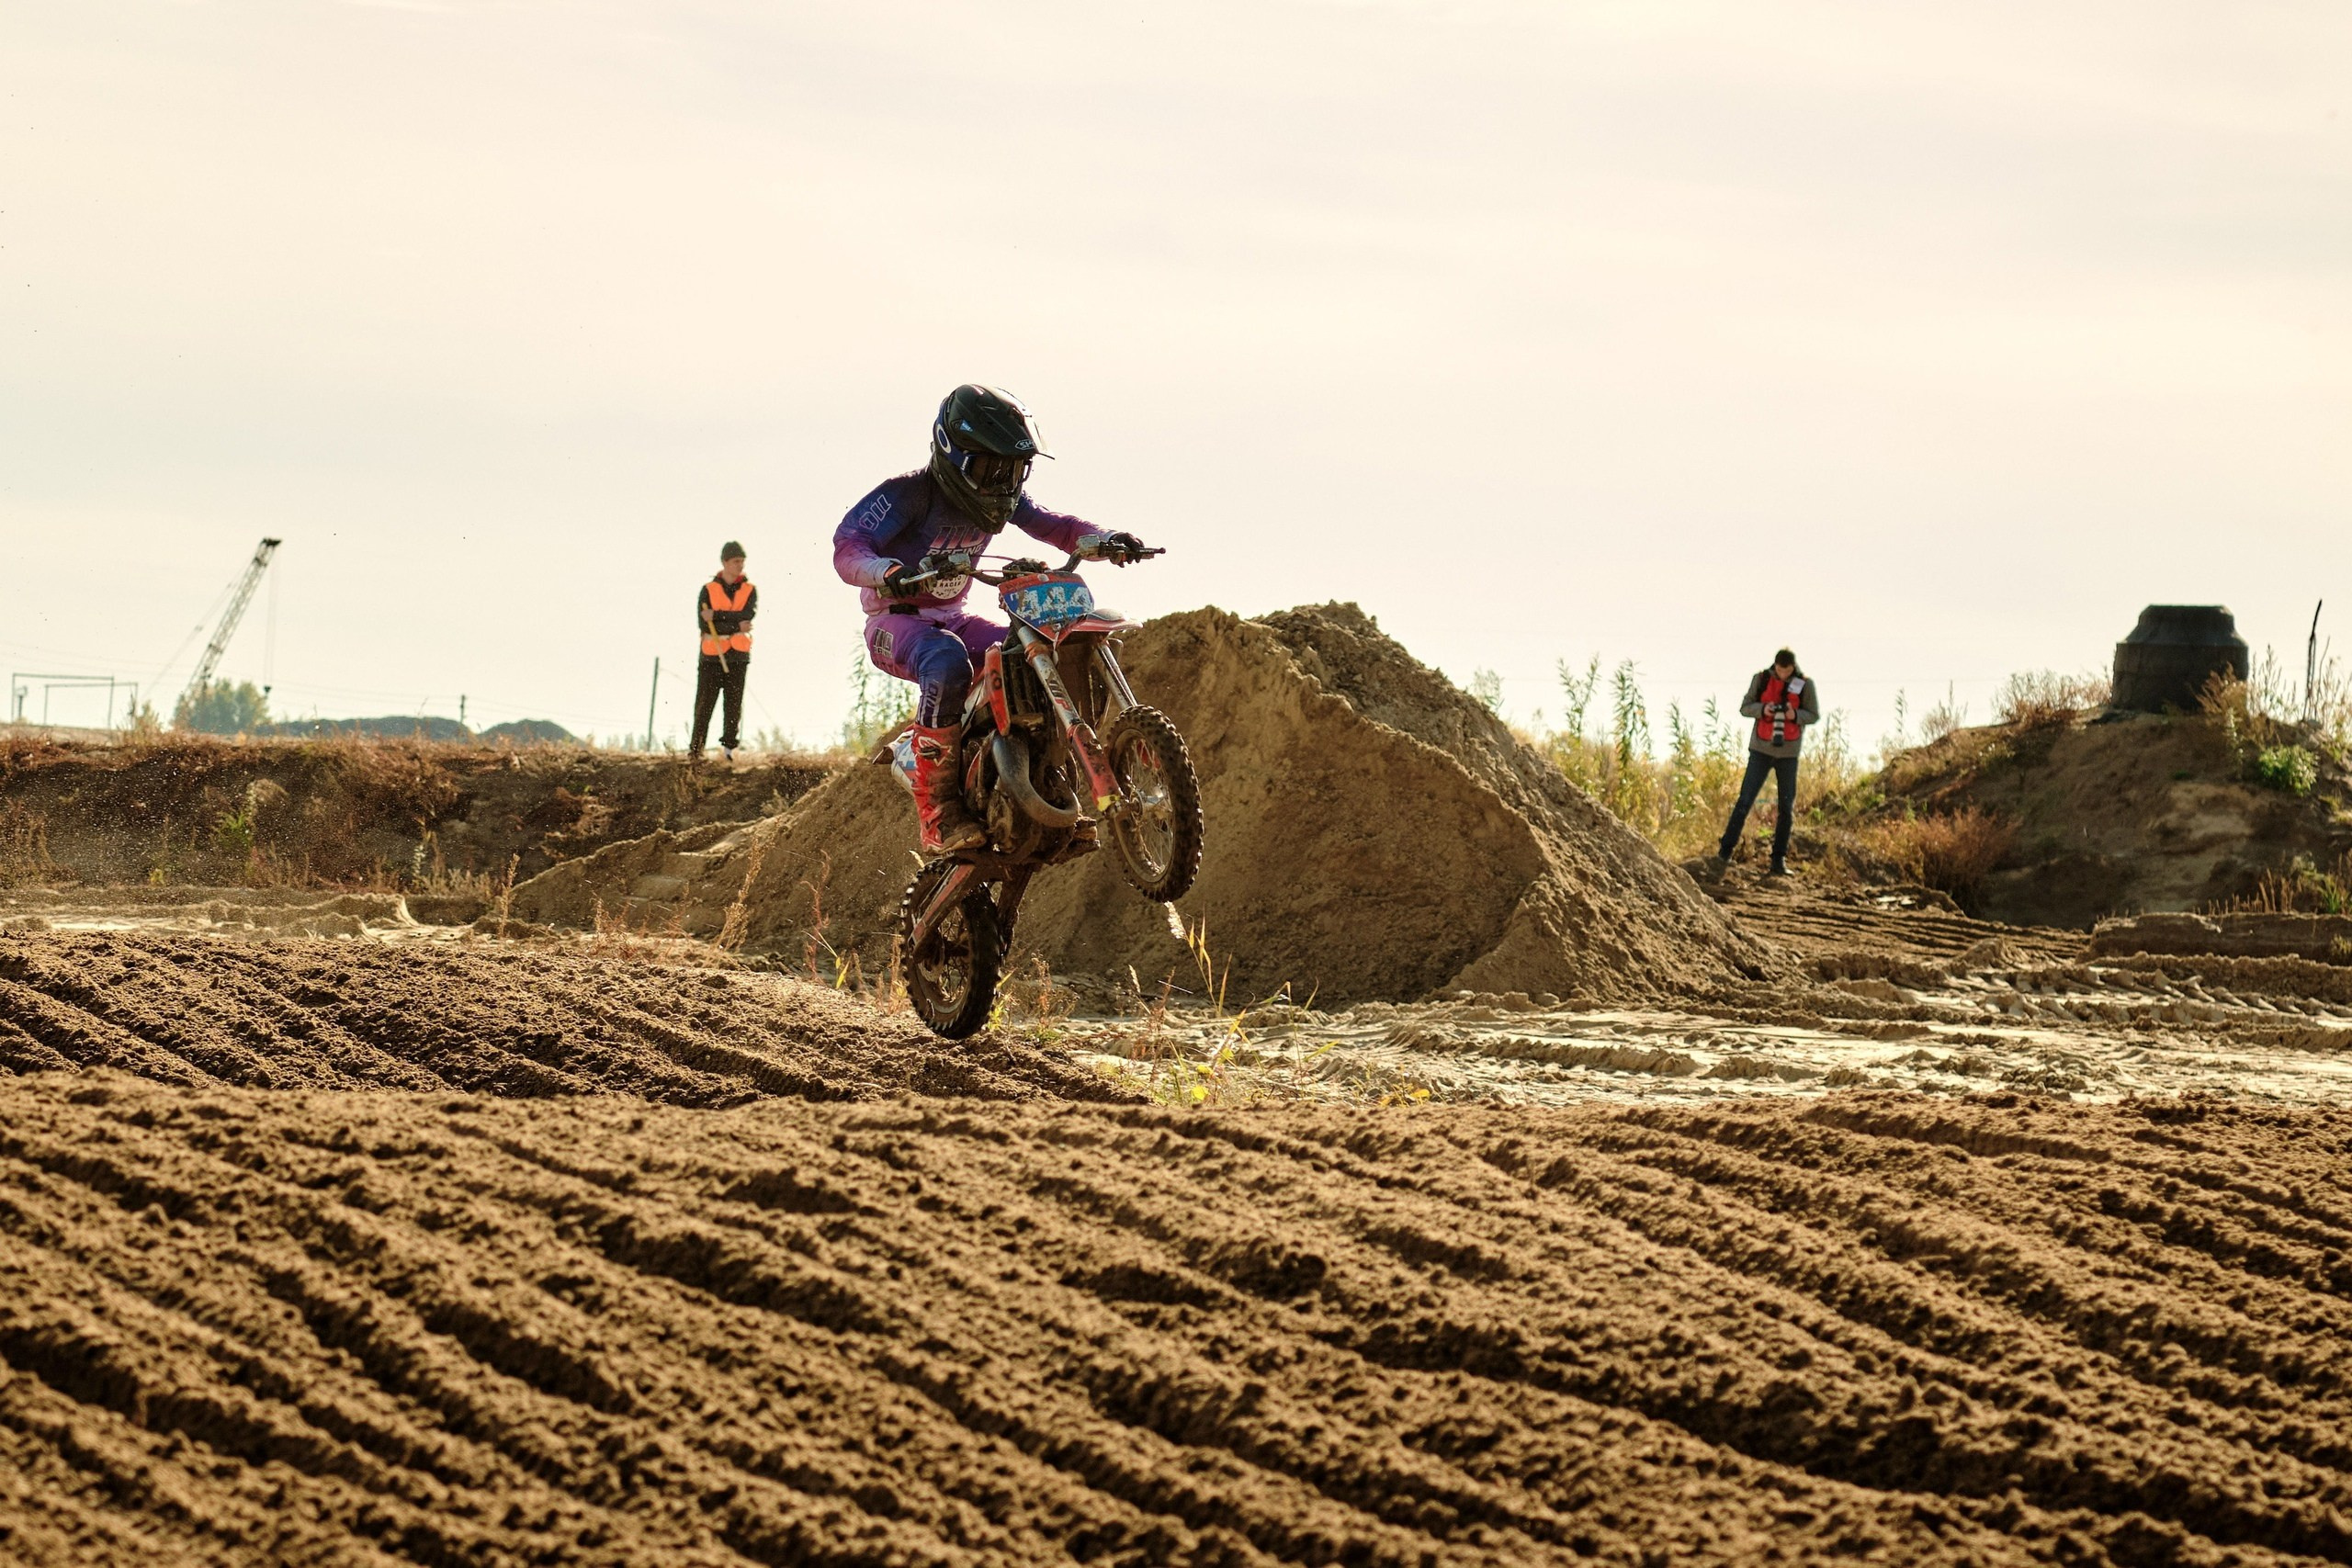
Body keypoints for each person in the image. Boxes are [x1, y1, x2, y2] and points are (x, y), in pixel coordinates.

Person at [831, 384, 1148, 853]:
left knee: (1033, 657)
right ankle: (938, 814)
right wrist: (888, 572)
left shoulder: (1005, 499)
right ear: (951, 455)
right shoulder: (909, 494)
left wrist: (1106, 538)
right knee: (946, 661)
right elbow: (848, 545)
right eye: (991, 468)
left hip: (956, 618)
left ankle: (1045, 788)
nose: (1004, 482)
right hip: (895, 623)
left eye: (1015, 470)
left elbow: (1057, 525)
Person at [1709, 648, 1819, 879]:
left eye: (1786, 670)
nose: (1782, 674)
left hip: (1788, 753)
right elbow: (1745, 708)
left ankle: (1778, 860)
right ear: (1775, 666)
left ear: (1793, 667)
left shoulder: (1805, 684)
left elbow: (1813, 715)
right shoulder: (1761, 679)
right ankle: (1725, 852)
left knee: (1786, 808)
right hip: (1760, 749)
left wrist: (1795, 716)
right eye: (1779, 670)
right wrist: (1764, 710)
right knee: (1745, 801)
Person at [690, 541, 755, 765]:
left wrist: (717, 615)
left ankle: (728, 749)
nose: (740, 565)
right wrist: (736, 624)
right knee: (704, 703)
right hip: (711, 655)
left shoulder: (750, 590)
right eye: (736, 561)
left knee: (733, 703)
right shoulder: (708, 590)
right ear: (725, 562)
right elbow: (705, 624)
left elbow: (748, 618)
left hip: (738, 656)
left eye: (742, 562)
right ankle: (696, 751)